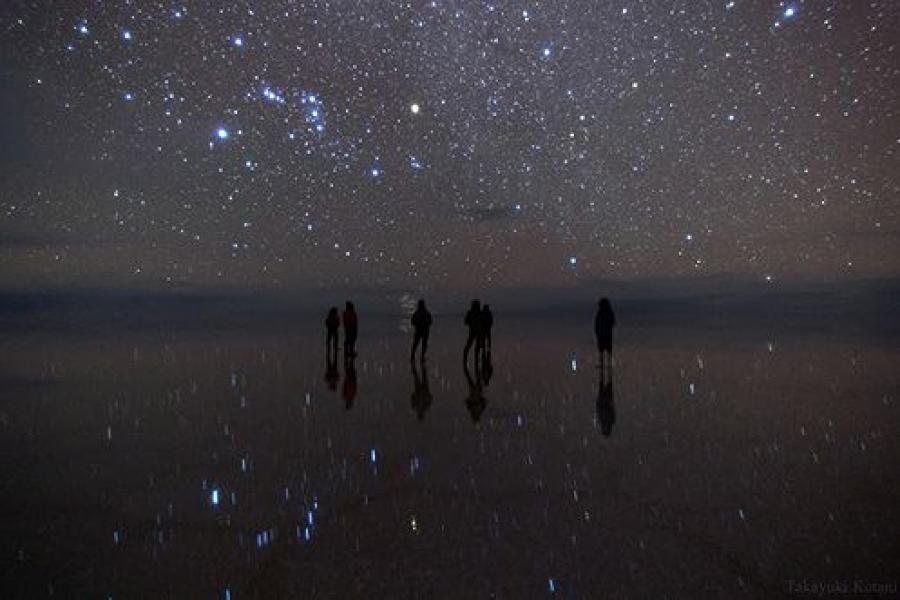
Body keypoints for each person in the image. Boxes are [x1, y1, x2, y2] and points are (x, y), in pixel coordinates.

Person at [594, 297, 615, 369]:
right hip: (606, 334)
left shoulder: (601, 313)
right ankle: (608, 364)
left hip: (603, 335)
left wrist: (597, 332)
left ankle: (605, 364)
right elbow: (613, 323)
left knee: (603, 351)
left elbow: (597, 324)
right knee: (606, 350)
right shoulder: (609, 312)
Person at [463, 300, 482, 365]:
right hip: (474, 331)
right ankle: (467, 357)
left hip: (477, 331)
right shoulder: (472, 313)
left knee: (475, 345)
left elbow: (466, 321)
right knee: (471, 345)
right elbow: (466, 321)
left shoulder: (478, 313)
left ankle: (475, 358)